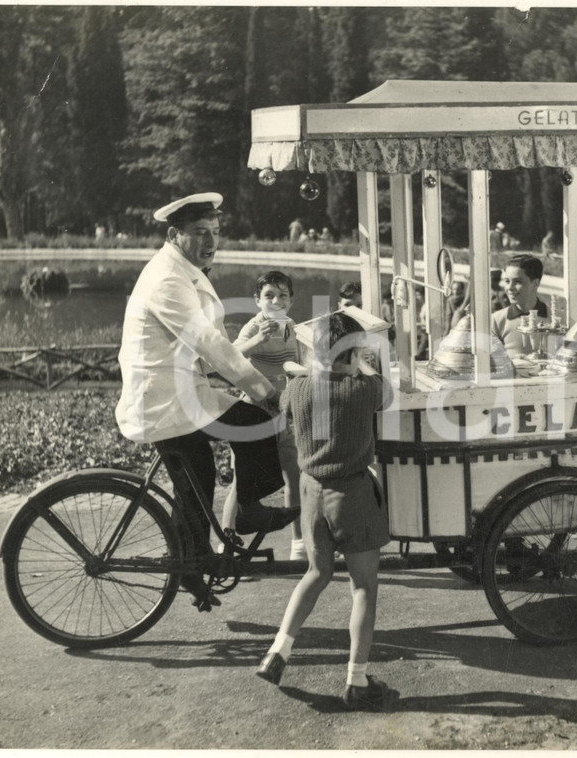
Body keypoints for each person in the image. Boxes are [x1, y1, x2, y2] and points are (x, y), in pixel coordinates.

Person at [115, 193, 288, 609]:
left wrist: (244, 382)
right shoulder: (168, 279)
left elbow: (210, 347)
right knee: (238, 434)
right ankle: (237, 519)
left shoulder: (181, 269)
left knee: (197, 479)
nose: (210, 242)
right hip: (163, 398)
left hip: (180, 390)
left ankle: (195, 561)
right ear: (175, 235)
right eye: (199, 233)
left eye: (214, 233)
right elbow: (209, 342)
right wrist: (264, 390)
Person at [255, 311, 395, 711]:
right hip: (351, 495)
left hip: (311, 493)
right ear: (354, 353)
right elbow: (385, 391)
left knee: (316, 573)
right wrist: (363, 360)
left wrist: (309, 368)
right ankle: (356, 680)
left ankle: (277, 653)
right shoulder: (364, 390)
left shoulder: (297, 389)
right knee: (364, 587)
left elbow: (293, 389)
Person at [224, 270, 305, 560]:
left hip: (283, 407)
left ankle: (298, 544)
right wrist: (256, 340)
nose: (276, 300)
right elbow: (230, 355)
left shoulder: (292, 326)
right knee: (242, 479)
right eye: (269, 295)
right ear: (257, 300)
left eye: (283, 295)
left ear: (291, 301)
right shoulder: (254, 326)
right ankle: (227, 542)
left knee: (293, 473)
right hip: (255, 405)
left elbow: (298, 361)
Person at [491, 254, 549, 358]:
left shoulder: (558, 319)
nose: (510, 288)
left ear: (535, 283)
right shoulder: (496, 321)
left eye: (517, 282)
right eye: (507, 281)